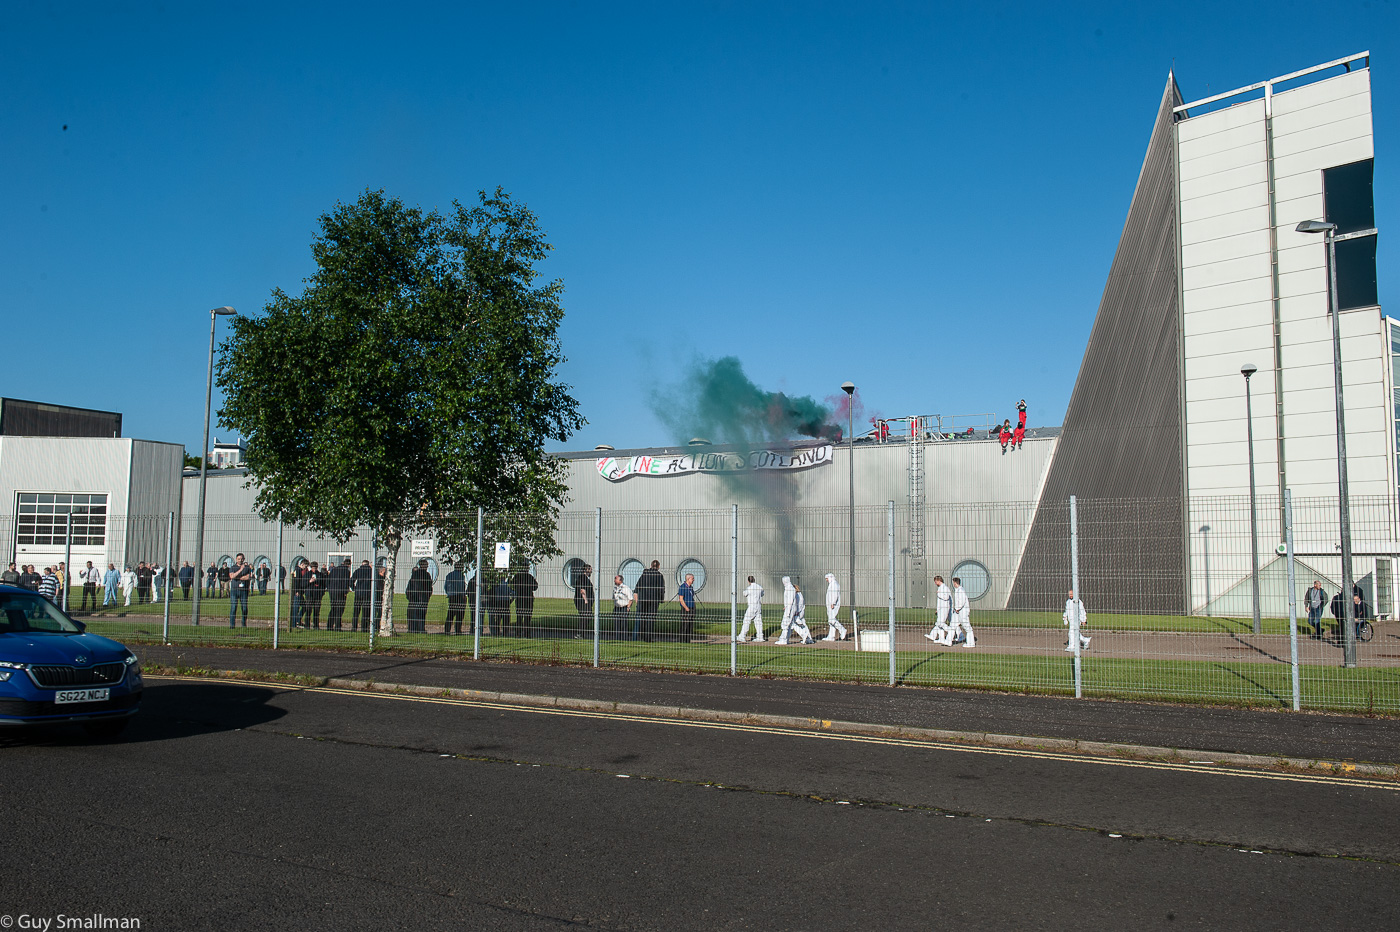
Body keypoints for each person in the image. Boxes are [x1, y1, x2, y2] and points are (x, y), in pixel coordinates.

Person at [634, 560, 666, 642]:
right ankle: (648, 638)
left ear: (651, 565)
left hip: (643, 599)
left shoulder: (644, 574)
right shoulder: (659, 576)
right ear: (658, 567)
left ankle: (641, 636)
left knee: (643, 618)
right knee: (650, 619)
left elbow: (637, 587)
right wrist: (661, 599)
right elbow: (661, 589)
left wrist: (637, 600)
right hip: (653, 600)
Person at [776, 576, 813, 645]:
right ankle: (803, 635)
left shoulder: (789, 589)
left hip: (790, 610)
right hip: (790, 609)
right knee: (792, 625)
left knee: (785, 624)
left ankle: (783, 640)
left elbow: (790, 601)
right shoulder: (790, 588)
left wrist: (788, 611)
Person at [405, 559, 433, 633]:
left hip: (414, 598)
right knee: (421, 614)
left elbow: (410, 586)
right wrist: (427, 596)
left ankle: (412, 629)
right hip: (422, 598)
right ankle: (421, 629)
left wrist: (410, 596)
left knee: (413, 614)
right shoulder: (427, 575)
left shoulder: (415, 574)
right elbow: (429, 587)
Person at [925, 575, 953, 645]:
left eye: (935, 581)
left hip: (944, 608)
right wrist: (937, 609)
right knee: (939, 623)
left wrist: (939, 594)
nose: (935, 583)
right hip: (941, 608)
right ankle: (941, 638)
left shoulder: (945, 588)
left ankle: (950, 631)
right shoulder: (941, 588)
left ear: (938, 581)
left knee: (940, 623)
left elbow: (946, 597)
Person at [227, 553, 253, 627]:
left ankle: (244, 623)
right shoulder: (233, 567)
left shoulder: (247, 568)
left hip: (244, 590)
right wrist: (241, 570)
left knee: (244, 607)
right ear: (236, 559)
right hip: (234, 590)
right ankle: (232, 625)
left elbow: (248, 577)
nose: (240, 560)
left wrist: (238, 577)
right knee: (233, 607)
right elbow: (232, 576)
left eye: (241, 559)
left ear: (244, 559)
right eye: (238, 559)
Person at [512, 567, 538, 637]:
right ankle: (527, 633)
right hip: (528, 599)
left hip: (520, 598)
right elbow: (535, 587)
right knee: (527, 617)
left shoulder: (517, 577)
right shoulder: (530, 577)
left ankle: (518, 633)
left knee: (519, 617)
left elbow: (512, 585)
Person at [737, 576, 765, 642]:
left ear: (748, 581)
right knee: (758, 622)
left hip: (752, 607)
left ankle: (742, 636)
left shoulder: (749, 588)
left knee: (746, 621)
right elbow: (762, 594)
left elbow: (744, 594)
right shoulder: (759, 587)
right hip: (758, 606)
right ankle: (760, 636)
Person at [821, 573, 848, 641]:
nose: (826, 580)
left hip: (833, 605)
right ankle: (831, 636)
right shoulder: (832, 584)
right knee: (831, 621)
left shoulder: (834, 584)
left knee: (831, 619)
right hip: (830, 604)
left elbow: (834, 594)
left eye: (827, 578)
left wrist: (833, 603)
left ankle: (842, 630)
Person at [442, 561, 467, 635]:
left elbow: (446, 586)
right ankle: (458, 630)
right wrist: (463, 595)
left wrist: (449, 593)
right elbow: (462, 586)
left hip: (452, 596)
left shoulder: (449, 575)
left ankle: (447, 630)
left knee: (450, 614)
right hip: (459, 596)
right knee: (459, 614)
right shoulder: (461, 576)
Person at [327, 558, 351, 630]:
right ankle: (337, 626)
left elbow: (328, 579)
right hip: (340, 592)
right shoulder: (346, 571)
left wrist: (329, 588)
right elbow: (346, 582)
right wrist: (345, 591)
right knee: (340, 609)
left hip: (332, 591)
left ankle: (329, 625)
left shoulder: (334, 569)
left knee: (333, 608)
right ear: (349, 565)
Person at [350, 560, 375, 632]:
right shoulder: (371, 571)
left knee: (356, 611)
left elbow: (351, 581)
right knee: (366, 612)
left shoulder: (358, 570)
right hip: (367, 593)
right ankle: (364, 628)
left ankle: (354, 627)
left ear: (362, 564)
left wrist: (354, 588)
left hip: (358, 593)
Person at [950, 577, 974, 648]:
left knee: (967, 627)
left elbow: (961, 601)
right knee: (960, 625)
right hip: (960, 612)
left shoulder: (961, 590)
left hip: (963, 611)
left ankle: (971, 643)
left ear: (955, 582)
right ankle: (968, 641)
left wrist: (957, 608)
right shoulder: (958, 590)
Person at [611, 574, 637, 640]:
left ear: (620, 580)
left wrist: (628, 607)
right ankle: (617, 638)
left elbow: (631, 599)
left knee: (623, 624)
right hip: (617, 607)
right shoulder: (615, 588)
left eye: (615, 579)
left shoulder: (626, 588)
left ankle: (624, 638)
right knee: (616, 623)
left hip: (624, 607)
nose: (614, 580)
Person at [303, 561, 327, 629]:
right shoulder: (307, 574)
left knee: (316, 611)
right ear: (311, 568)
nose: (315, 569)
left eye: (316, 568)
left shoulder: (320, 575)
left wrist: (322, 593)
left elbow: (323, 585)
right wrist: (309, 581)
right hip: (309, 595)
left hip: (317, 595)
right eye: (313, 568)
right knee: (308, 610)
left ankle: (316, 625)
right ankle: (307, 625)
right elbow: (303, 584)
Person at [676, 572, 697, 642]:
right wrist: (686, 607)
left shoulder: (691, 587)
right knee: (684, 624)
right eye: (692, 578)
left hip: (692, 607)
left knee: (690, 624)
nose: (693, 580)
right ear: (688, 579)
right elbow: (681, 599)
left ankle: (688, 640)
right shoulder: (683, 587)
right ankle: (682, 639)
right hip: (686, 608)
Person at [289, 561, 307, 629]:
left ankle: (297, 620)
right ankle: (294, 623)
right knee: (296, 608)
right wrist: (297, 591)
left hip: (299, 592)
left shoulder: (298, 570)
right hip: (298, 592)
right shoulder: (298, 571)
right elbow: (297, 581)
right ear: (302, 564)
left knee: (303, 606)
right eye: (305, 566)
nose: (305, 568)